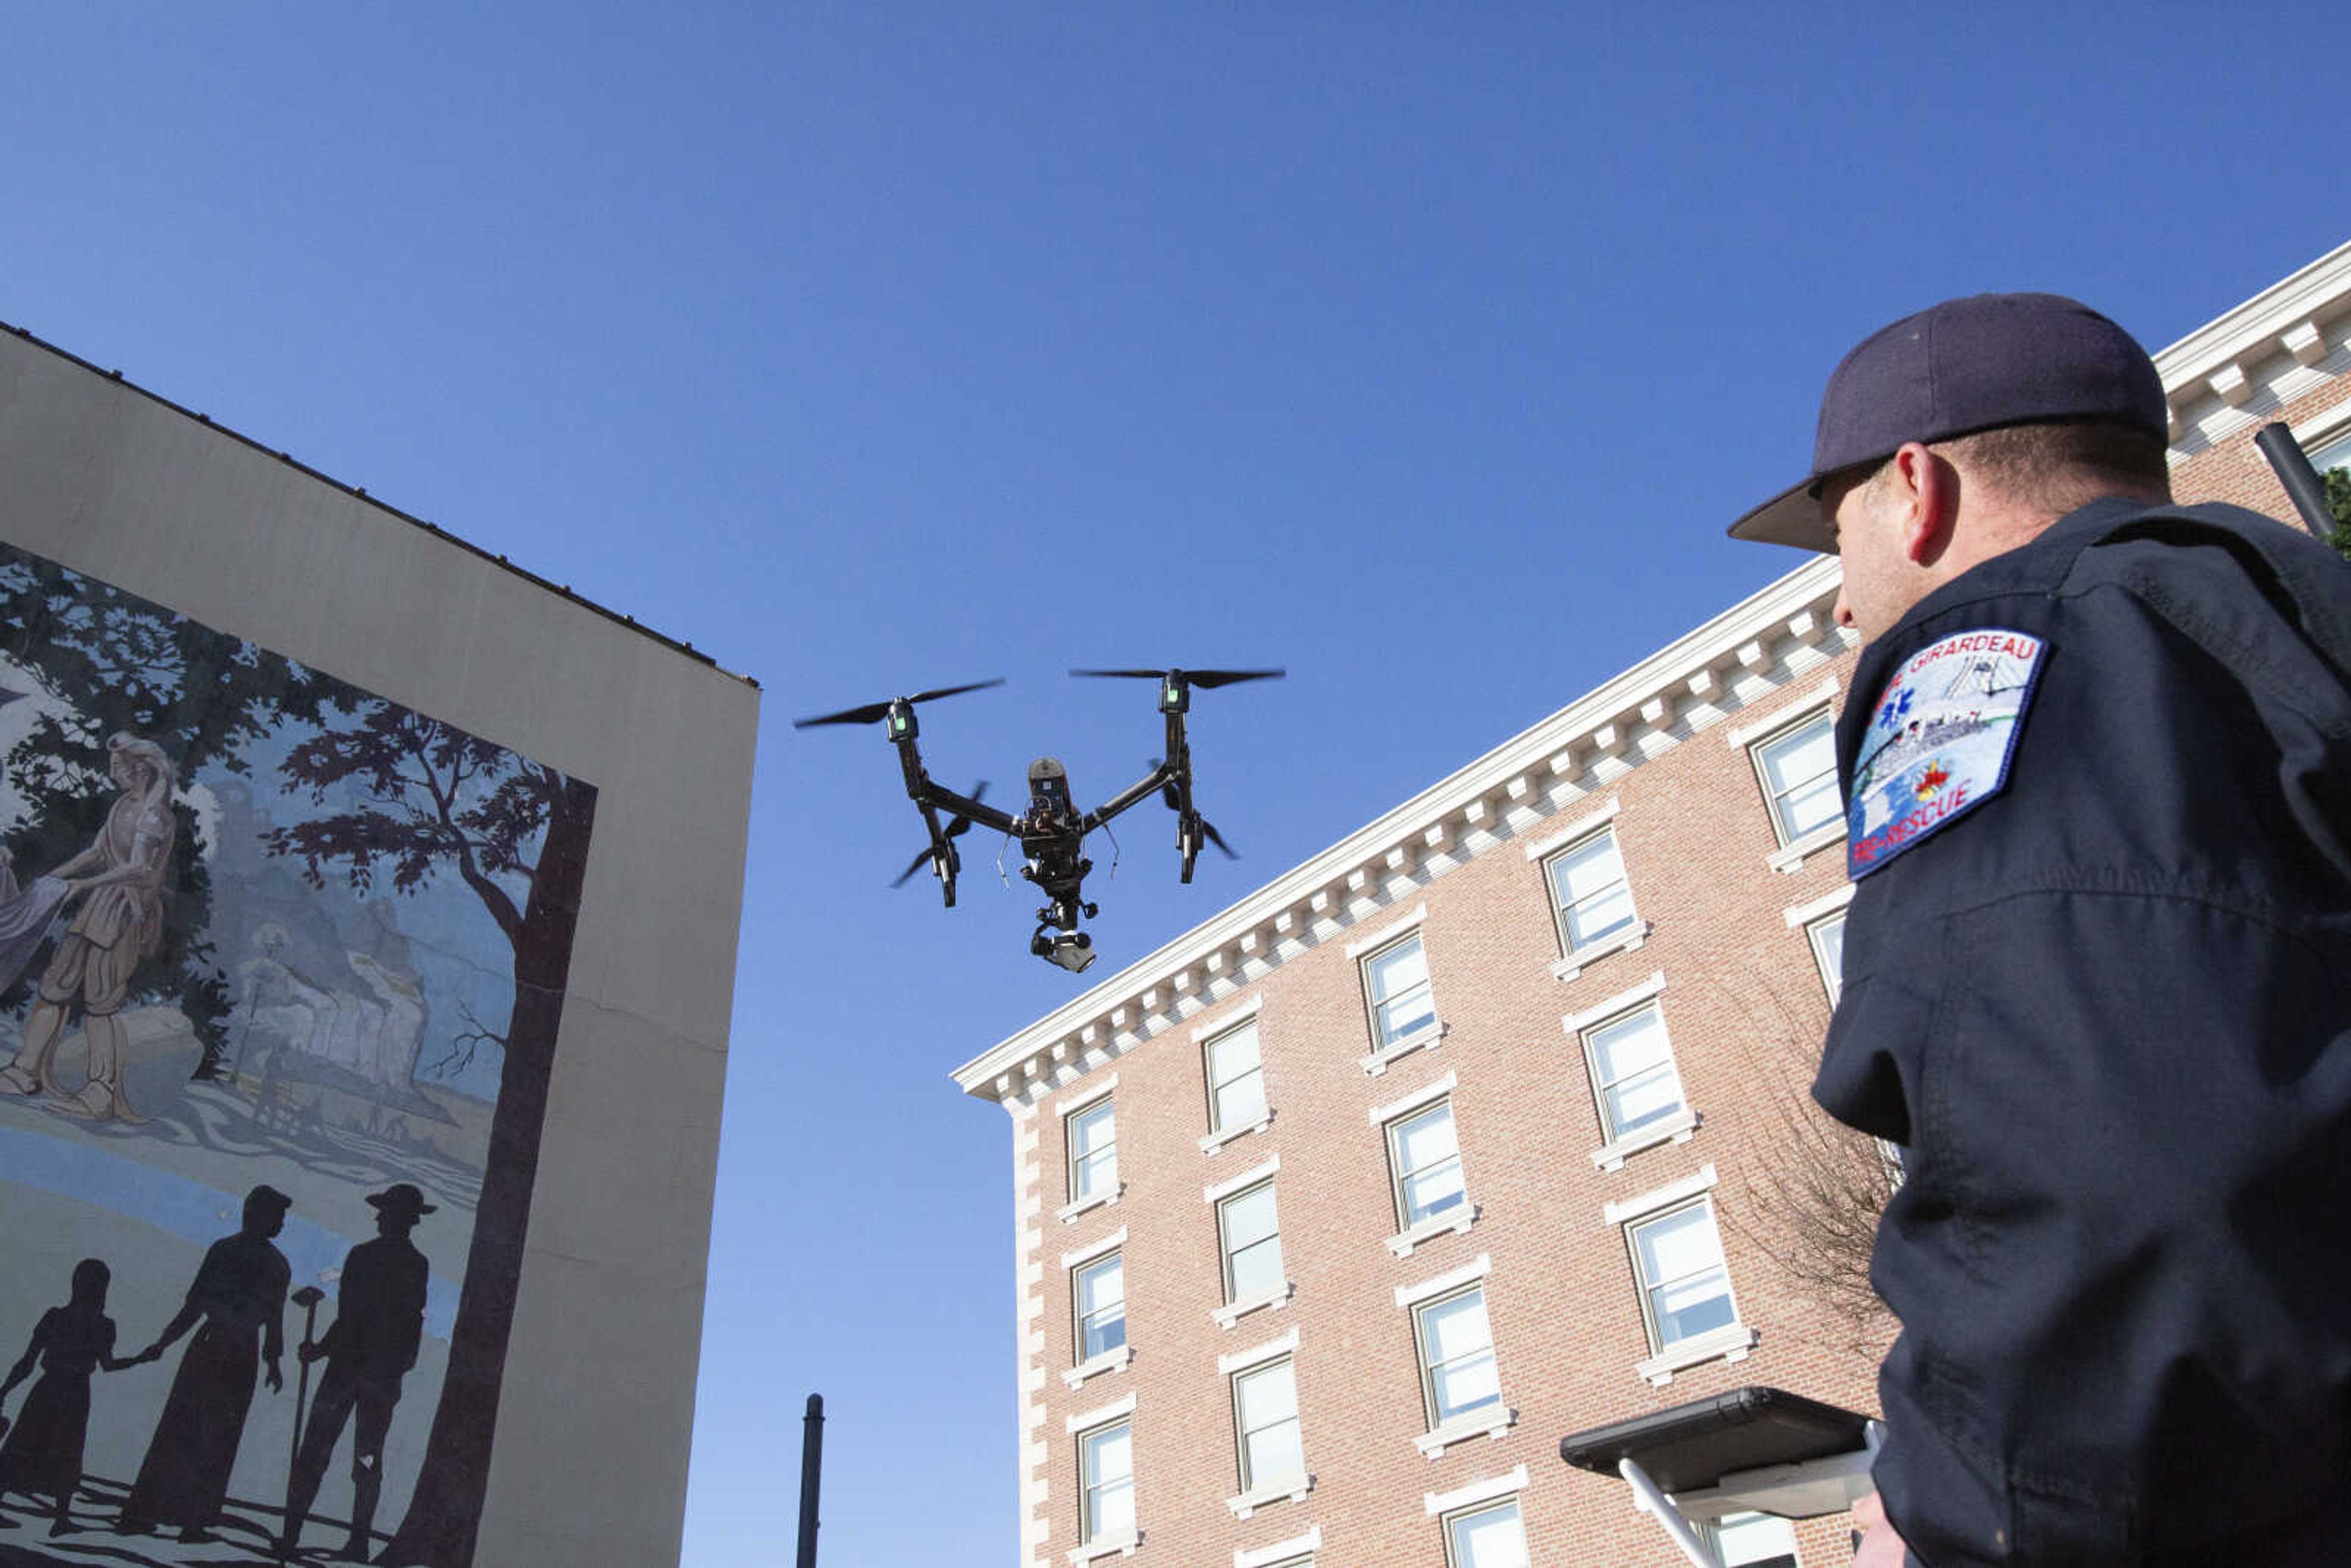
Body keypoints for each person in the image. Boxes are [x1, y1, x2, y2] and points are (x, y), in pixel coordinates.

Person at [1730, 292, 2351, 1567]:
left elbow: (2120, 1165)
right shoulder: (2287, 620)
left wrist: (1966, 1511)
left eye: (1836, 539)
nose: (1843, 607)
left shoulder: (2000, 658)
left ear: (1916, 489)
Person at [0, 730, 179, 1122]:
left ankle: (100, 1093)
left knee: (101, 1002)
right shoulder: (122, 807)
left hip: (125, 910)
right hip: (99, 905)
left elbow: (136, 868)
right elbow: (96, 852)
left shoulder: (155, 815)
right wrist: (49, 882)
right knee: (55, 985)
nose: (114, 774)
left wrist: (83, 884)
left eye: (119, 768)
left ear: (142, 770)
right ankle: (25, 1070)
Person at [118, 1184, 294, 1543]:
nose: (282, 1224)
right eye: (278, 1216)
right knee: (184, 1429)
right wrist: (163, 1343)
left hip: (236, 1351)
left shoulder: (274, 1264)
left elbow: (274, 1318)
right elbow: (195, 1306)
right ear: (256, 1214)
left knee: (214, 1437)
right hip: (215, 1347)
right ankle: (153, 1514)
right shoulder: (232, 1253)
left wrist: (273, 1361)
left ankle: (190, 1520)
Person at [276, 1183, 433, 1563]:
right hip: (378, 1374)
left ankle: (297, 1536)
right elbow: (402, 1323)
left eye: (385, 1212)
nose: (379, 1217)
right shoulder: (414, 1263)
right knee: (364, 1458)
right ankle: (350, 1540)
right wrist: (397, 1366)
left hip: (350, 1370)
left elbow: (352, 1317)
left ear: (400, 1218)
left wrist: (321, 1351)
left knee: (321, 1451)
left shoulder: (366, 1257)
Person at [0, 1259, 147, 1537]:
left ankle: (59, 1517)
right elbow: (109, 1365)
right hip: (75, 1392)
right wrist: (140, 1359)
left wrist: (5, 1389)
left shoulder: (56, 1317)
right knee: (64, 1449)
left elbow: (27, 1362)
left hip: (49, 1387)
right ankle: (62, 1519)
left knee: (25, 1443)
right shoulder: (103, 1325)